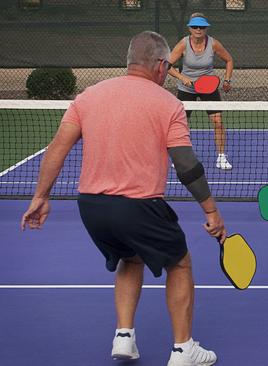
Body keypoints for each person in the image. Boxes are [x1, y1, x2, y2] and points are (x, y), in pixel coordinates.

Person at [20, 31, 224, 366]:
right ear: (160, 66)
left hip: (91, 207)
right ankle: (183, 348)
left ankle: (124, 337)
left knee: (131, 259)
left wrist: (40, 197)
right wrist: (211, 210)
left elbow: (58, 146)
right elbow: (186, 164)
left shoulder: (89, 95)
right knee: (180, 262)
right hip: (138, 206)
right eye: (167, 66)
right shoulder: (169, 104)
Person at [168, 12, 235, 170]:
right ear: (190, 28)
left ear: (206, 29)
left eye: (202, 27)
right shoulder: (183, 44)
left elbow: (229, 60)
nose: (198, 29)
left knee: (218, 122)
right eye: (195, 26)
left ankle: (221, 157)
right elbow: (167, 65)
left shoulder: (213, 44)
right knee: (182, 124)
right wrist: (181, 77)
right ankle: (182, 157)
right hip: (186, 88)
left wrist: (227, 80)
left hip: (208, 87)